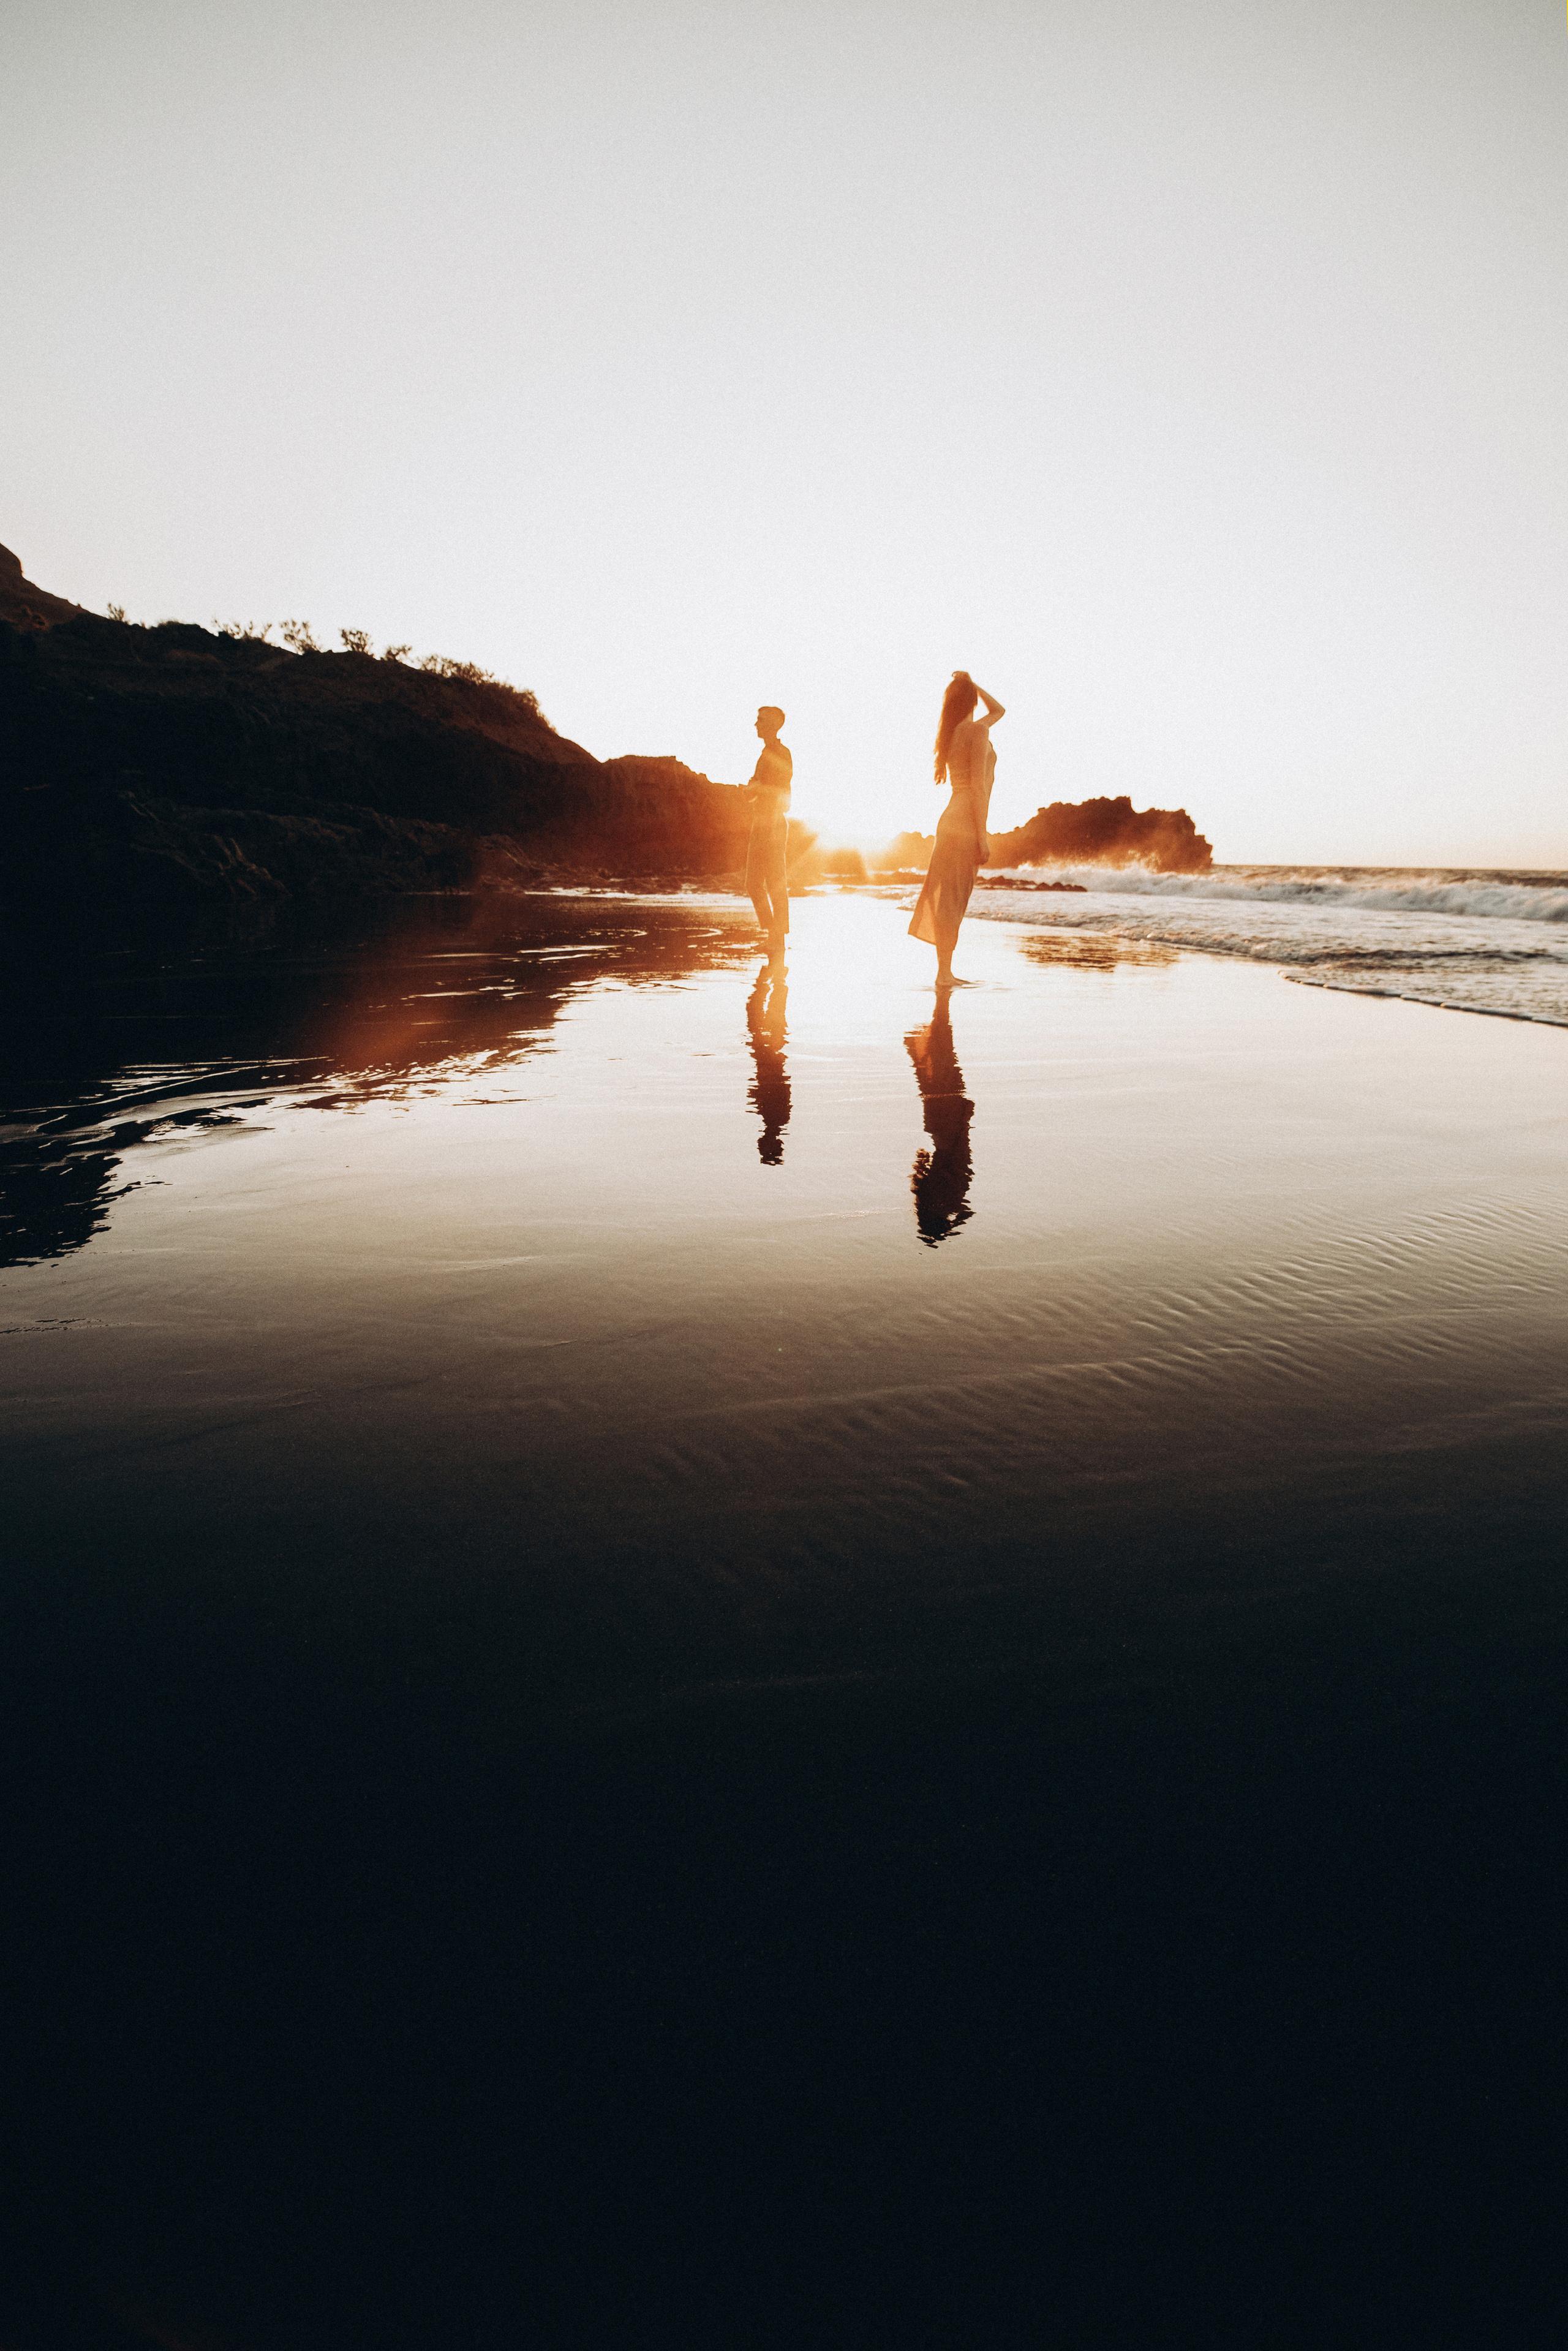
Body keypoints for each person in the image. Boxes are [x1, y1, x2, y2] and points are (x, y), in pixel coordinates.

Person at [908, 671, 1005, 986]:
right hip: (964, 824)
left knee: (948, 898)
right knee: (955, 900)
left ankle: (944, 972)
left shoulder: (953, 734)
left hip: (950, 821)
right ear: (971, 701)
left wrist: (969, 685)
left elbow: (999, 712)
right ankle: (944, 974)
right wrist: (983, 837)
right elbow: (977, 787)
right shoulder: (977, 732)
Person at [744, 706, 793, 960]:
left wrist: (757, 788)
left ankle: (777, 940)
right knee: (753, 883)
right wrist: (751, 790)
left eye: (760, 720)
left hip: (773, 824)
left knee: (775, 883)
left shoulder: (782, 753)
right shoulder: (765, 754)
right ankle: (773, 936)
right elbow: (762, 789)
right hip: (761, 822)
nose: (755, 724)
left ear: (773, 724)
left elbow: (783, 794)